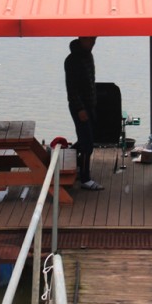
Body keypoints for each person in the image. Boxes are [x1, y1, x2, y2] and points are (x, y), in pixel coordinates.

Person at [64, 36, 104, 190]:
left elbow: (91, 82)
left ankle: (66, 159)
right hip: (79, 107)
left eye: (94, 40)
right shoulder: (72, 60)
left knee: (86, 139)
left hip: (90, 104)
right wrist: (80, 109)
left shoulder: (88, 56)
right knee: (87, 144)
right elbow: (71, 89)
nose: (93, 43)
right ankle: (85, 178)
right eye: (90, 40)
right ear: (81, 38)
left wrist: (93, 104)